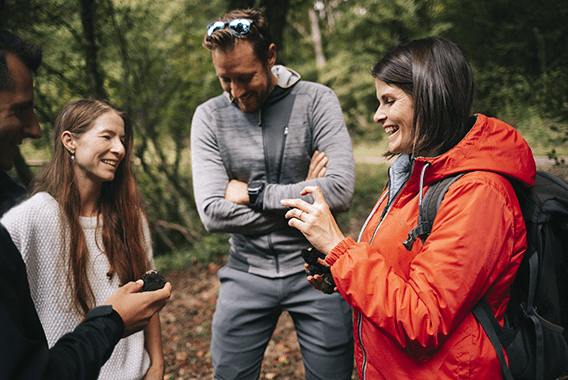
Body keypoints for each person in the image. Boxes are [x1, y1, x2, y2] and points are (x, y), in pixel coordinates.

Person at [281, 36, 536, 379]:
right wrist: (338, 273)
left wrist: (338, 249)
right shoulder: (417, 173)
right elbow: (398, 273)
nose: (377, 115)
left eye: (389, 101)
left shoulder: (479, 192)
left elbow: (424, 318)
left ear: (430, 97)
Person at [191, 8, 356, 380]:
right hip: (245, 272)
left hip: (318, 270)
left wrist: (249, 193)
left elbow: (341, 190)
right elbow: (212, 213)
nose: (235, 92)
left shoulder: (317, 101)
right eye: (224, 80)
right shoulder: (208, 117)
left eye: (245, 77)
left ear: (270, 56)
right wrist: (307, 197)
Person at [0, 29, 171, 380]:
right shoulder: (27, 219)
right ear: (70, 142)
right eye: (107, 137)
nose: (120, 149)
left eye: (123, 140)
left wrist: (157, 363)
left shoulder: (130, 216)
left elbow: (146, 290)